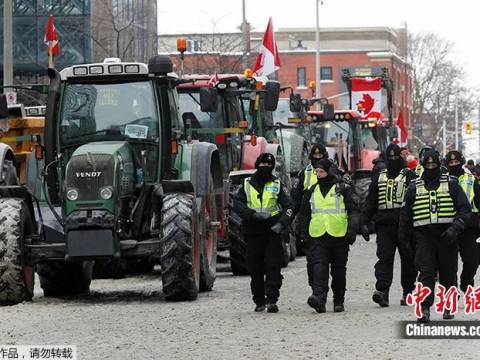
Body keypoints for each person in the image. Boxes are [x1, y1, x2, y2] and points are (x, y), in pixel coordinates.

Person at [399, 150, 471, 322]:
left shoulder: (452, 184)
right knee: (426, 272)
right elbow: (405, 215)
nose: (431, 167)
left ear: (439, 164)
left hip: (447, 235)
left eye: (434, 164)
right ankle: (424, 308)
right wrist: (403, 239)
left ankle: (449, 305)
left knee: (448, 273)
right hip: (423, 237)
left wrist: (455, 228)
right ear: (423, 165)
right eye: (428, 165)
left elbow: (464, 209)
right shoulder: (414, 186)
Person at [233, 152, 294, 313]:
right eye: (263, 165)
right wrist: (251, 214)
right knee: (255, 268)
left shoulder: (277, 184)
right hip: (253, 231)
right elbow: (237, 204)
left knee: (273, 266)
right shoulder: (246, 184)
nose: (265, 168)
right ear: (257, 165)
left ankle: (272, 299)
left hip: (272, 232)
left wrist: (281, 225)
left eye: (269, 166)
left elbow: (289, 207)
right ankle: (259, 300)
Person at [299, 158, 360, 313]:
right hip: (318, 235)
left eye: (322, 171)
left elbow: (353, 210)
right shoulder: (311, 190)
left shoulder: (342, 189)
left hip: (339, 235)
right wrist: (303, 233)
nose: (319, 175)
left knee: (339, 271)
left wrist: (352, 230)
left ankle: (338, 300)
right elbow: (304, 214)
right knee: (319, 267)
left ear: (330, 172)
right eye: (317, 172)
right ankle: (319, 298)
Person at [362, 143, 417, 307]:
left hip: (405, 224)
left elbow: (417, 199)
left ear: (400, 157)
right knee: (384, 258)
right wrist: (364, 222)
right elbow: (370, 201)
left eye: (395, 157)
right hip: (384, 225)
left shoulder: (409, 176)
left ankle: (408, 291)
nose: (393, 159)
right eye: (390, 157)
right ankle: (382, 291)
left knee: (408, 258)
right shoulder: (379, 176)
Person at [446, 150, 480, 292]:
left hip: (468, 227)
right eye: (451, 162)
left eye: (456, 162)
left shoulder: (471, 179)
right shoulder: (442, 180)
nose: (454, 164)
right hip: (448, 226)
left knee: (472, 260)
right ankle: (452, 291)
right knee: (448, 263)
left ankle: (466, 282)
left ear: (462, 161)